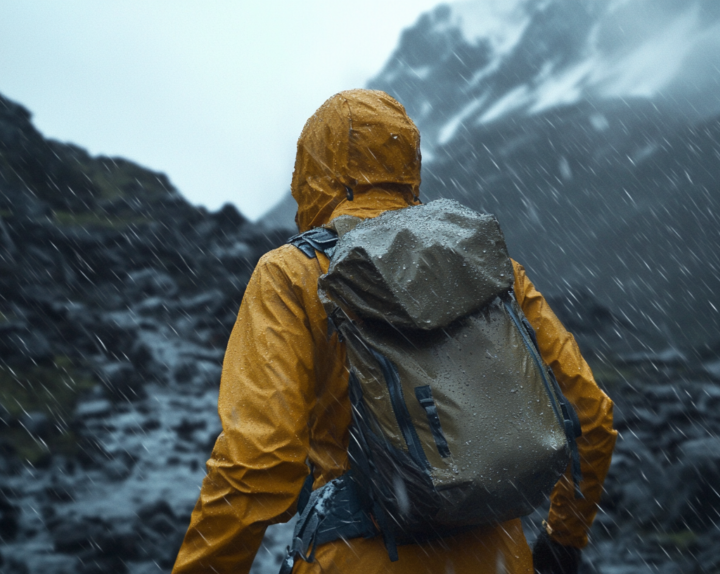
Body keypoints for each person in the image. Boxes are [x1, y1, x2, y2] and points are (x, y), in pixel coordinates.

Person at [172, 89, 617, 574]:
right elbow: (589, 415)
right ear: (407, 161)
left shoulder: (292, 274)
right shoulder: (492, 268)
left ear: (312, 170)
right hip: (499, 556)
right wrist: (564, 538)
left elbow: (259, 461)